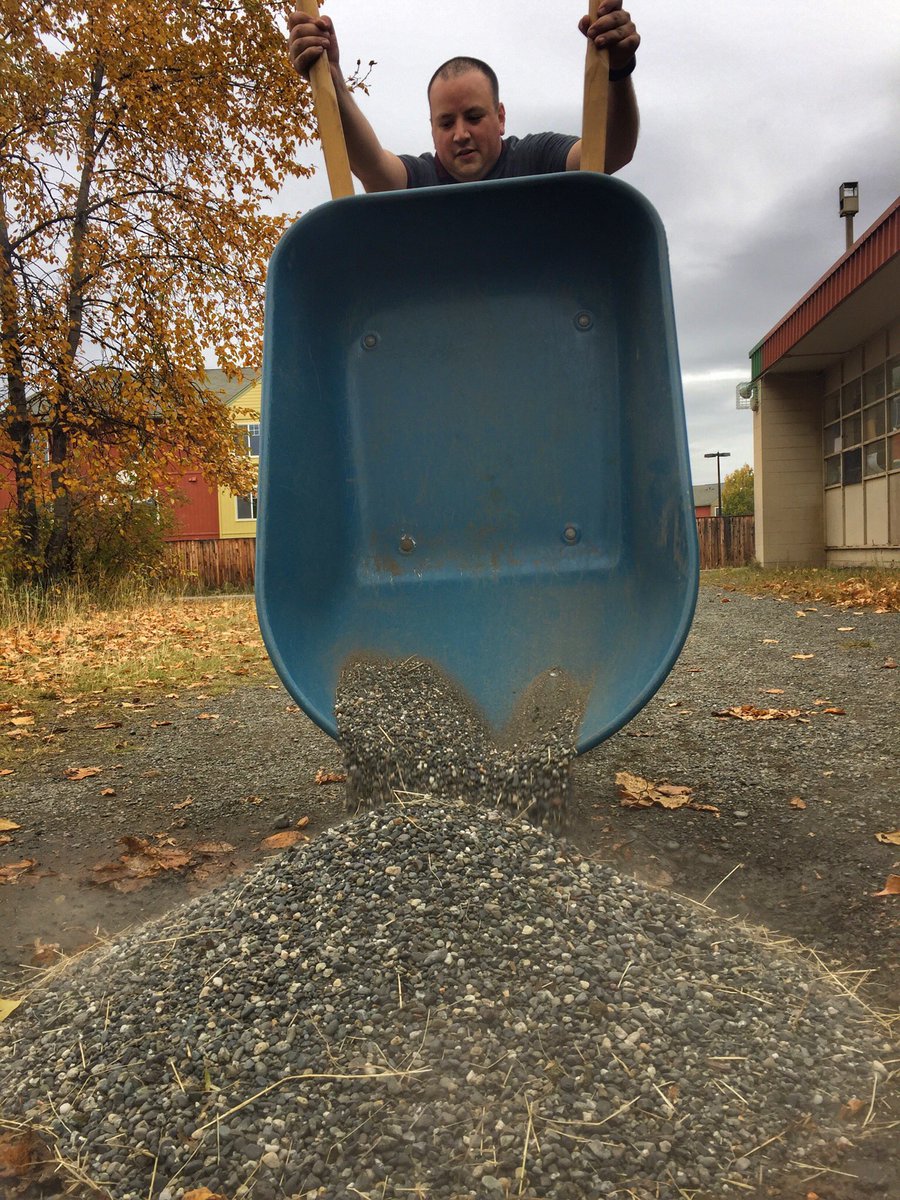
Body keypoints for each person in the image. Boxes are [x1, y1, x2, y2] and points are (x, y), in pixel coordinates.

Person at [287, 5, 640, 192]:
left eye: (473, 117)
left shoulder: (537, 160)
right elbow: (372, 168)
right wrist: (332, 79)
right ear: (431, 129)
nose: (460, 134)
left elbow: (608, 153)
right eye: (446, 122)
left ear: (500, 117)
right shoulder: (419, 180)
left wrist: (618, 71)